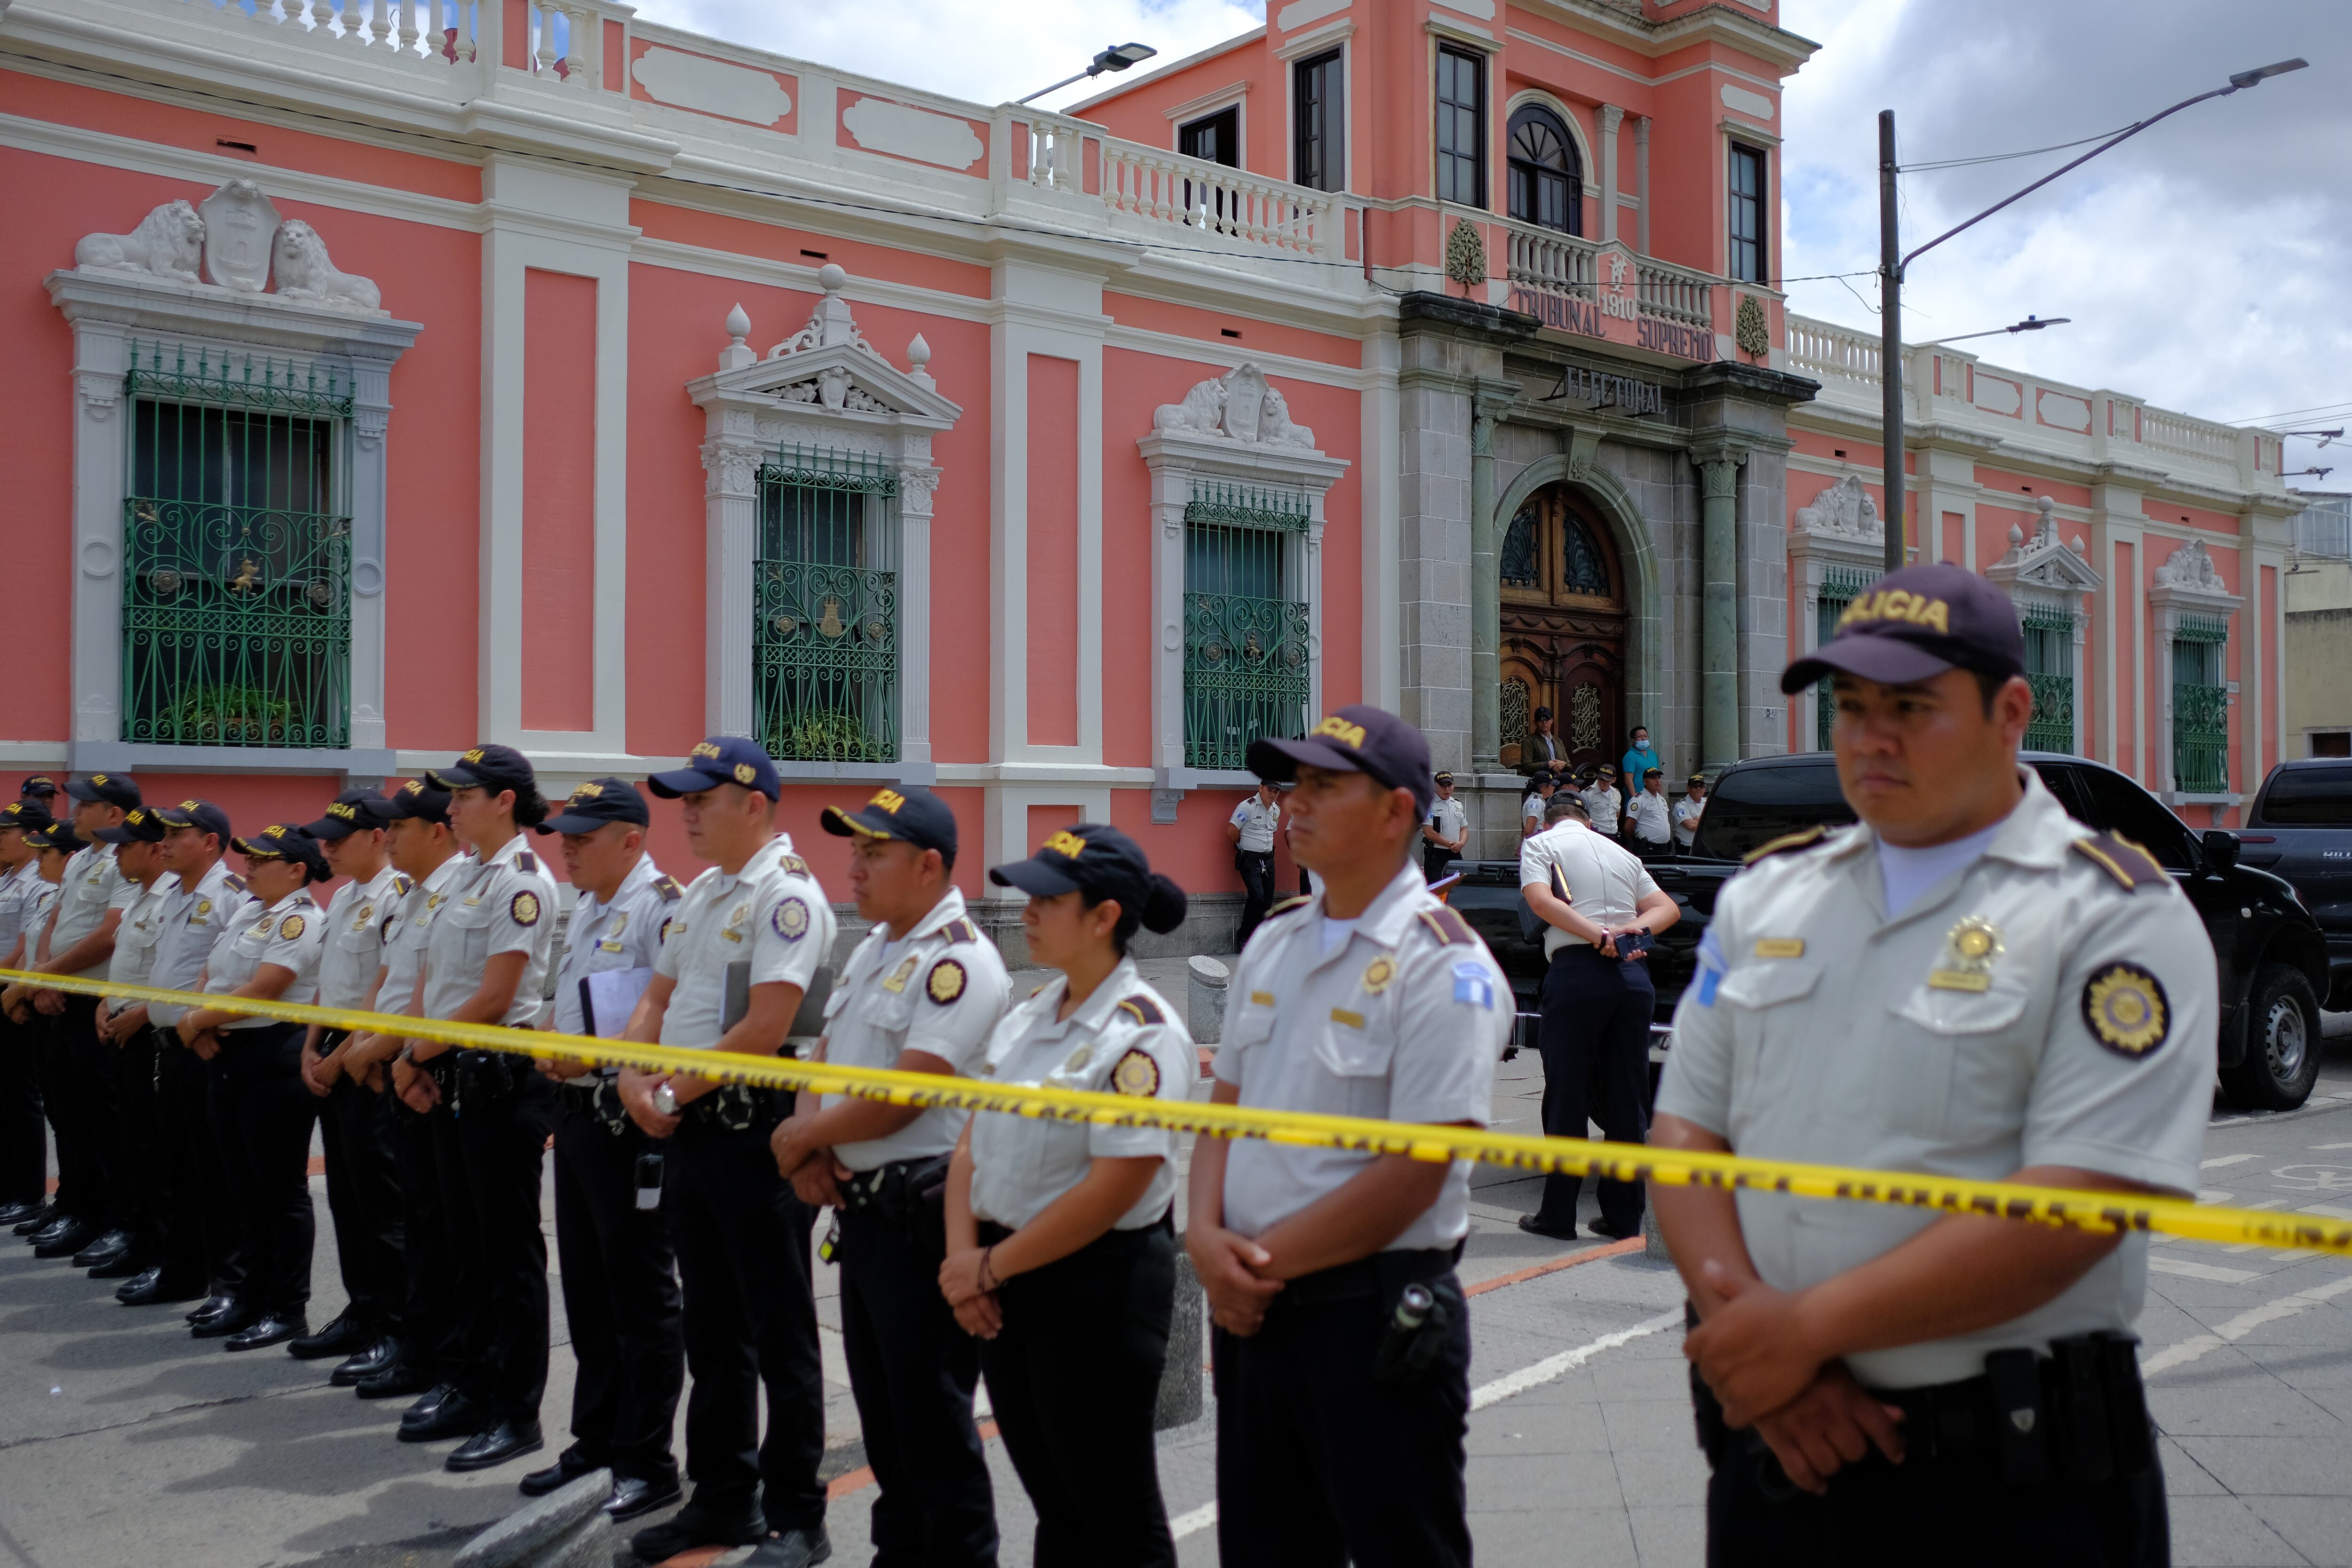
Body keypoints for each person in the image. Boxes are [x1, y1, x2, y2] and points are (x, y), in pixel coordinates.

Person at [1653, 563, 2214, 1563]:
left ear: (2009, 711)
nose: (1871, 736)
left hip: (2008, 1484)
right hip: (1778, 1453)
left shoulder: (2113, 912)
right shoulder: (1766, 898)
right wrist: (1758, 1342)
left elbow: (2079, 1200)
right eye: (1852, 705)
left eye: (1911, 706)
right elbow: (1687, 1130)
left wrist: (1804, 1330)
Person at [1190, 705, 1510, 1568]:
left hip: (1370, 1312)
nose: (1295, 802)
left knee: (1399, 1543)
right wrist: (1204, 1233)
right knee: (1264, 1543)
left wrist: (1253, 1265)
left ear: (1396, 812)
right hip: (1250, 1302)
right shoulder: (1277, 938)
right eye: (1295, 782)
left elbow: (1416, 1173)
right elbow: (1224, 1105)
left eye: (1326, 786)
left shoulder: (1445, 963)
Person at [940, 824, 1195, 1568]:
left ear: (1105, 916)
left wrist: (988, 1268)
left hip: (1097, 1289)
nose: (1025, 910)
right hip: (1003, 1276)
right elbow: (971, 1141)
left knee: (1114, 1508)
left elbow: (1116, 1186)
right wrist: (966, 1259)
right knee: (1057, 1500)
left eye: (1047, 898)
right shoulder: (1029, 1012)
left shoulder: (1142, 1034)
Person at [773, 783, 1010, 1568]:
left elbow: (908, 1089)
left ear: (930, 864)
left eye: (874, 853)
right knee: (886, 1419)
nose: (855, 868)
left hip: (923, 1221)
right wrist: (811, 1146)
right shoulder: (875, 946)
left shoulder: (961, 960)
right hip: (864, 1213)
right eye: (855, 851)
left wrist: (804, 1132)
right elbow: (826, 1056)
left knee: (933, 1424)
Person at [617, 739, 833, 1568]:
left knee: (779, 1332)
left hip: (751, 1133)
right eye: (685, 800)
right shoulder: (704, 892)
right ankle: (722, 1498)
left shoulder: (788, 898)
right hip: (689, 1129)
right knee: (711, 1329)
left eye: (703, 798)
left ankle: (797, 1517)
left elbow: (764, 1029)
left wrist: (665, 1091)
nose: (689, 813)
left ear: (754, 803)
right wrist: (636, 1073)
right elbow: (657, 997)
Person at [392, 745, 563, 1471]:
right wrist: (419, 1056)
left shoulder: (522, 883)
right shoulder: (465, 880)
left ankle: (514, 1409)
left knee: (505, 1253)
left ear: (503, 801)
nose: (451, 808)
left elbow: (496, 997)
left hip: (501, 1079)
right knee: (462, 1242)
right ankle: (469, 1381)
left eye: (463, 797)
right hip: (453, 1071)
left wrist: (413, 1055)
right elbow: (435, 978)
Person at [523, 777, 688, 1524]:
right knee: (587, 1289)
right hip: (581, 1116)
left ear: (631, 840)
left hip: (631, 1124)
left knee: (640, 1295)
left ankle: (648, 1459)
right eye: (565, 836)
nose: (568, 849)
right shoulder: (588, 906)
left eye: (584, 838)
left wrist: (589, 1060)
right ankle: (597, 1438)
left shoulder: (663, 908)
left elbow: (671, 1018)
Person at [176, 823, 332, 1351]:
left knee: (277, 1190)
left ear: (296, 870)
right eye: (249, 858)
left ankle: (286, 1308)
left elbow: (266, 989)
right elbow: (210, 972)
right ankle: (245, 1294)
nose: (249, 866)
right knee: (238, 1184)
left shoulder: (300, 920)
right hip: (227, 1054)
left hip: (273, 1059)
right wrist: (196, 1019)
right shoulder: (249, 909)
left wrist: (196, 1021)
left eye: (262, 860)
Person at [342, 779, 467, 1401]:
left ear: (437, 832)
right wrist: (360, 1047)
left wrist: (385, 1051)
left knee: (425, 1226)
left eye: (401, 827)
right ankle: (411, 1346)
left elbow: (436, 997)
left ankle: (421, 1347)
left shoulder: (455, 895)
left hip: (421, 1072)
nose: (388, 836)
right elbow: (387, 983)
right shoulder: (413, 898)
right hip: (388, 1064)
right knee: (408, 1219)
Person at [1518, 790, 1680, 1243]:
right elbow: (1668, 908)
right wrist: (1631, 930)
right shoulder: (1621, 852)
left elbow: (1540, 902)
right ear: (1589, 823)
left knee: (1568, 1094)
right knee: (1628, 1096)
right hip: (1632, 975)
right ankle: (1625, 1218)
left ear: (1549, 823)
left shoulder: (1541, 845)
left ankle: (1558, 1214)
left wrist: (1597, 933)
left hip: (1577, 972)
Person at [288, 790, 410, 1380]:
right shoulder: (341, 898)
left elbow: (387, 989)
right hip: (335, 1047)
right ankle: (362, 1309)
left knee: (382, 1203)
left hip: (369, 1060)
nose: (326, 848)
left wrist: (339, 1058)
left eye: (339, 837)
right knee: (346, 1197)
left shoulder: (396, 896)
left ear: (378, 837)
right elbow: (327, 981)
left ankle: (393, 1323)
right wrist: (311, 1045)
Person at [136, 800, 249, 1315]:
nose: (164, 841)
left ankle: (228, 1283)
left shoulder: (231, 897)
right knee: (176, 1166)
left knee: (216, 1172)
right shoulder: (174, 896)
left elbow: (236, 973)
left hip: (206, 1046)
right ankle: (181, 1271)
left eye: (176, 833)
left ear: (209, 842)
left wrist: (204, 1024)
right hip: (170, 1046)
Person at [22, 772, 139, 1266]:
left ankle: (113, 1218)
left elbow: (111, 935)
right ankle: (76, 1206)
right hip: (63, 998)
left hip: (95, 1003)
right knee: (66, 1113)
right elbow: (57, 919)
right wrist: (47, 979)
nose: (73, 810)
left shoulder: (122, 861)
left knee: (103, 1120)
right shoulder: (82, 859)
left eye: (86, 804)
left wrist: (47, 975)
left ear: (114, 814)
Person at [90, 806, 172, 1285]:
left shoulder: (168, 900)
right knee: (130, 1143)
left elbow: (179, 979)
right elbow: (125, 967)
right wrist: (105, 1004)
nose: (118, 853)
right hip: (120, 1030)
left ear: (153, 848)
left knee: (155, 1149)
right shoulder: (141, 899)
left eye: (125, 844)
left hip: (149, 1037)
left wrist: (136, 1016)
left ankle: (162, 1251)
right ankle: (139, 1240)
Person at [0, 797, 58, 1231]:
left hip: (12, 991)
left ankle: (28, 1193)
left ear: (32, 837)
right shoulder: (7, 879)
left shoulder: (40, 883)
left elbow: (24, 948)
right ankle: (9, 1186)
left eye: (6, 832)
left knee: (21, 1097)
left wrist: (15, 992)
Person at [1228, 781, 1281, 949]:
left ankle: (1259, 939)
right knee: (1256, 896)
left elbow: (1271, 832)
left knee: (1267, 901)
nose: (1272, 795)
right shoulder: (1248, 806)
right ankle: (1245, 935)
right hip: (1251, 860)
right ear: (1261, 788)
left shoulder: (1276, 810)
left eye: (1276, 792)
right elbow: (1231, 831)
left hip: (1268, 859)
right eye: (1269, 790)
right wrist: (1243, 847)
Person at [1421, 772, 1468, 882]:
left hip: (1455, 853)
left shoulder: (1457, 804)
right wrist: (1451, 844)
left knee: (1460, 885)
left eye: (1449, 785)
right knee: (1438, 886)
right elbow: (1429, 832)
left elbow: (1464, 829)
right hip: (1438, 853)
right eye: (1443, 786)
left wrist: (1461, 843)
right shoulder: (1430, 805)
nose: (1447, 789)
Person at [1626, 768, 1674, 861]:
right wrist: (1638, 841)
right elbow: (1628, 827)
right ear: (1645, 781)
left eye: (1659, 778)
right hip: (1648, 849)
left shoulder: (1661, 800)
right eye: (1653, 778)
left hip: (1664, 849)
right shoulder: (1639, 800)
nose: (1658, 781)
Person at [1579, 767, 1623, 850]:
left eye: (1606, 780)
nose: (1602, 782)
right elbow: (1581, 817)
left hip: (1613, 836)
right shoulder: (1588, 794)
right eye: (1600, 779)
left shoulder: (1616, 793)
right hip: (1597, 836)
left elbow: (1617, 816)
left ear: (1614, 780)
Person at [1525, 706, 1567, 780]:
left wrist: (1564, 764)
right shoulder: (1530, 741)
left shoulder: (1559, 741)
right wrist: (1547, 764)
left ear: (1552, 721)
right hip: (1542, 784)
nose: (1544, 723)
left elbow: (1568, 763)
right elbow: (1526, 766)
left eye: (1547, 720)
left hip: (1560, 783)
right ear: (1535, 723)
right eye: (1540, 720)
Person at [1621, 724, 1661, 802]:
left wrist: (1660, 795)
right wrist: (1635, 799)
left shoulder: (1653, 755)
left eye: (1646, 736)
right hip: (1639, 797)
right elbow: (1628, 780)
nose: (1644, 739)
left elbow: (1658, 777)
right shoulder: (1630, 756)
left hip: (1653, 797)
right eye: (1640, 737)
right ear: (1633, 741)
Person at [1674, 774, 1708, 856]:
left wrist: (1696, 819)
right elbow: (1691, 826)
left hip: (1705, 848)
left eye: (1701, 786)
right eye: (1695, 786)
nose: (1699, 788)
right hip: (1687, 849)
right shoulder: (1681, 806)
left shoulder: (1708, 802)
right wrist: (1707, 819)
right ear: (1688, 788)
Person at [1521, 774, 1554, 840]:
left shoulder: (1539, 800)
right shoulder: (1536, 802)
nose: (1554, 788)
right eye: (1552, 785)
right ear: (1545, 788)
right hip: (1537, 841)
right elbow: (1528, 831)